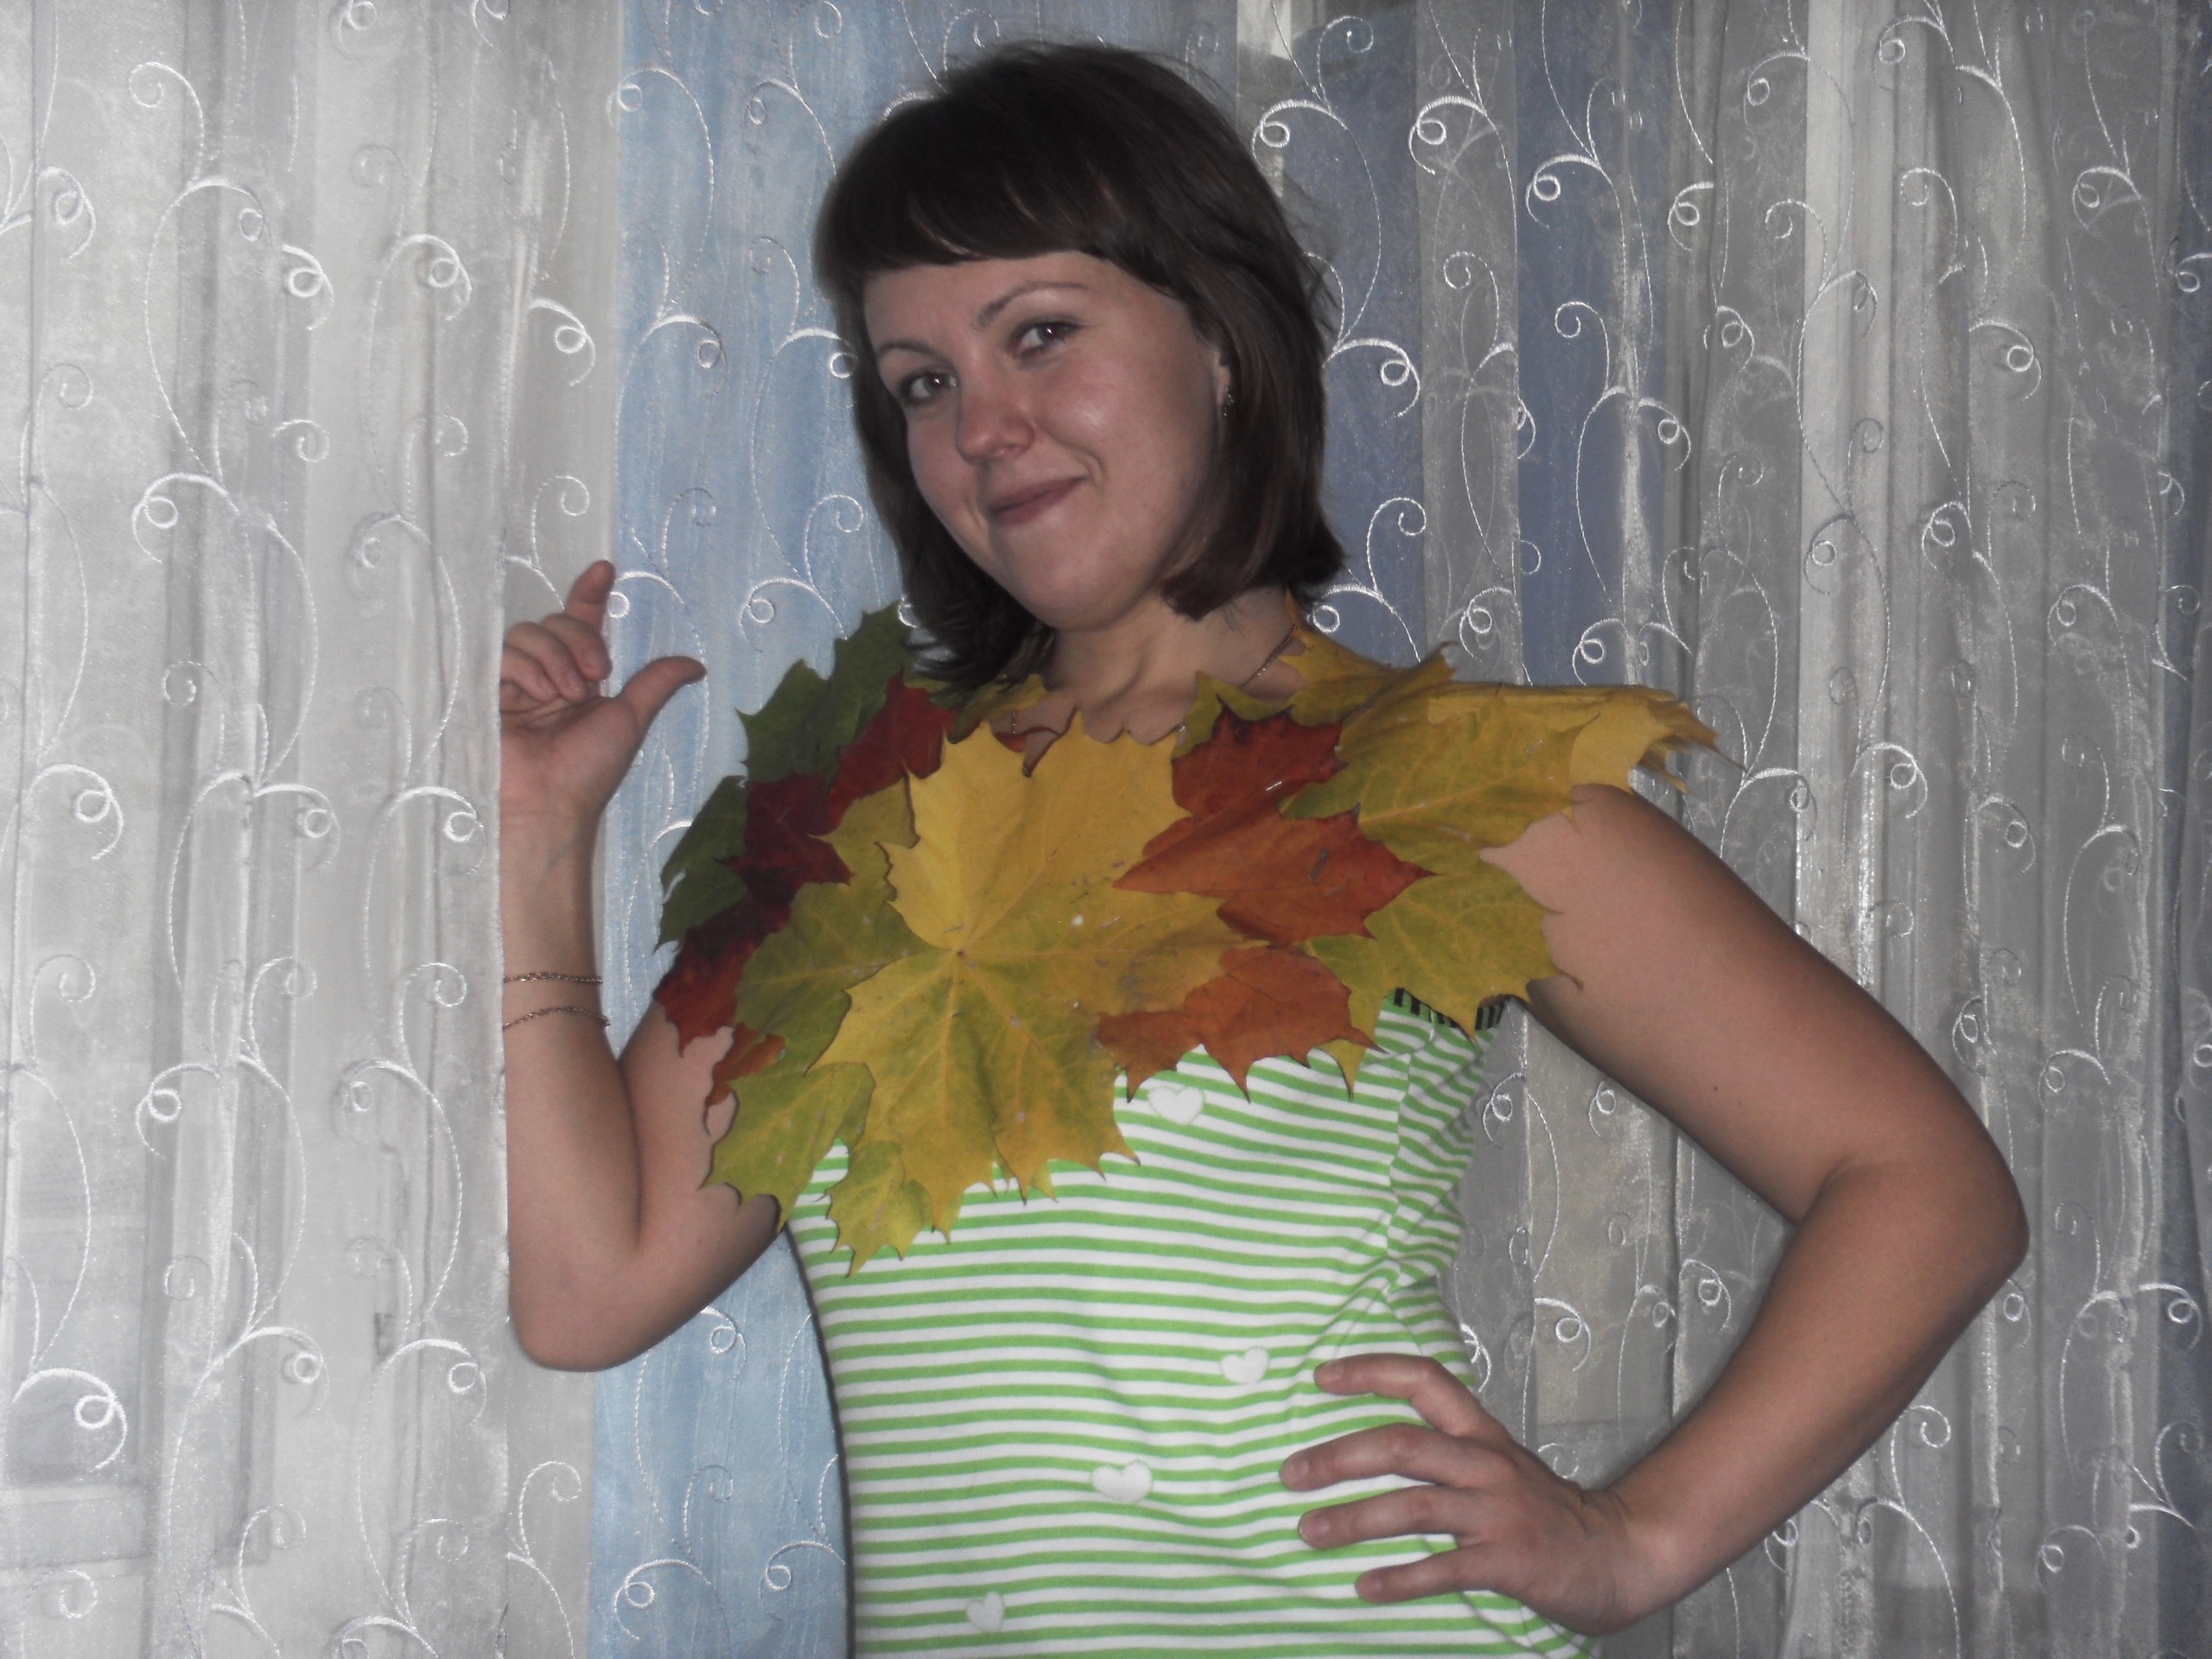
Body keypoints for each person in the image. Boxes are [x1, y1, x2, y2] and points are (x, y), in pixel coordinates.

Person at [498, 42, 2026, 1656]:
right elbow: (593, 1288)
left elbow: (1924, 1184)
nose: (984, 427)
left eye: (1039, 334)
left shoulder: (1440, 787)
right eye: (922, 382)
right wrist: (539, 841)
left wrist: (1633, 1540)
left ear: (1221, 342)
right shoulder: (856, 832)